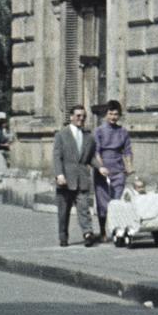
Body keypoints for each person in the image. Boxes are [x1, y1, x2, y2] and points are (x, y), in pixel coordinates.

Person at [51, 105, 108, 247]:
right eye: (78, 116)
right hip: (65, 179)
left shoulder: (89, 137)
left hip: (82, 178)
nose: (81, 119)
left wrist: (100, 167)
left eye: (83, 116)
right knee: (63, 212)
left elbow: (91, 158)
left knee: (83, 208)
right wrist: (59, 174)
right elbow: (57, 157)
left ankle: (87, 233)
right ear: (71, 117)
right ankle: (63, 236)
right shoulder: (61, 135)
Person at [93, 100, 134, 240]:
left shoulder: (122, 131)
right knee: (103, 202)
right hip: (103, 171)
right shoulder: (98, 131)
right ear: (106, 115)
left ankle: (117, 230)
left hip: (118, 170)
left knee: (117, 201)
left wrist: (129, 166)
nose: (113, 117)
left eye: (116, 114)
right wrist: (101, 167)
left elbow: (127, 150)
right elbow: (96, 151)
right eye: (110, 114)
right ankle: (103, 231)